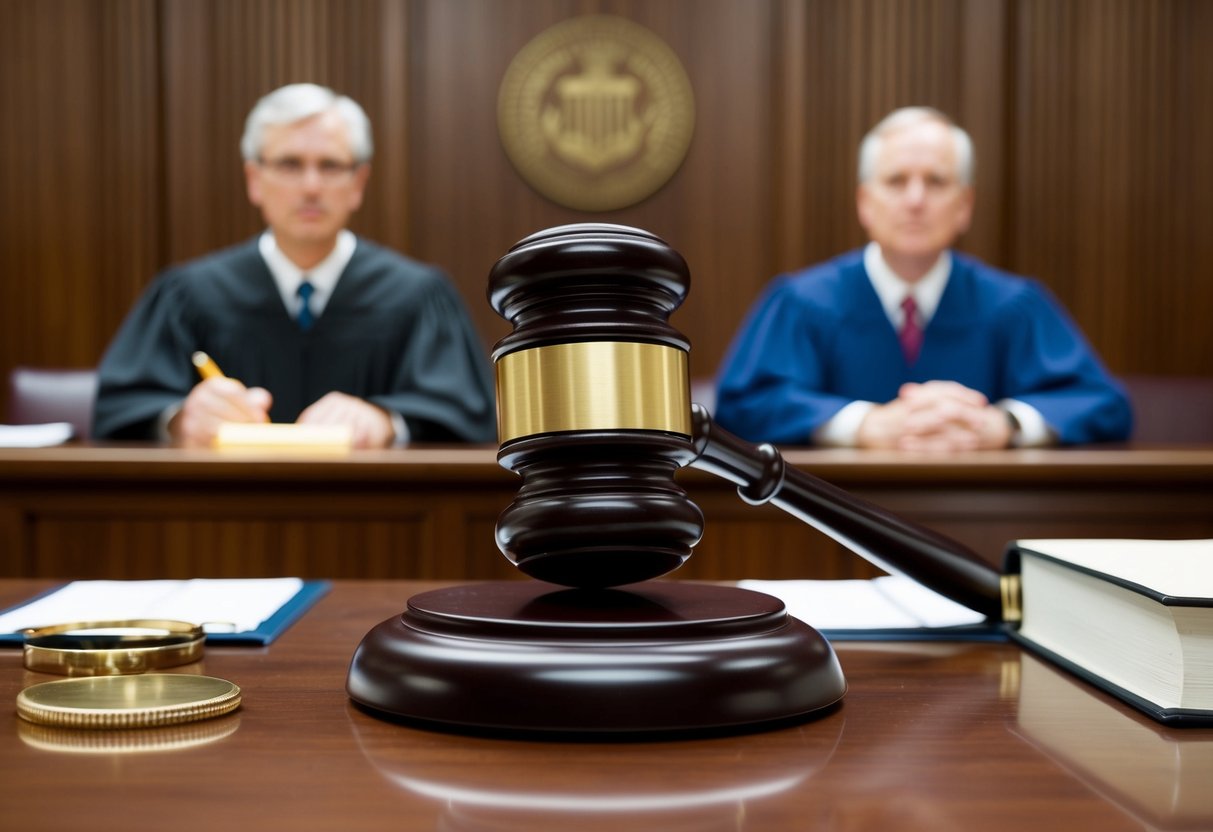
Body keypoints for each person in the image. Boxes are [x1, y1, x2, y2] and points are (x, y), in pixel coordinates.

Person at [93, 83, 496, 447]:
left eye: (330, 165)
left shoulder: (418, 296)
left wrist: (387, 421)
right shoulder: (187, 294)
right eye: (289, 164)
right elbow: (120, 408)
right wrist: (181, 420)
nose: (310, 187)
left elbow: (468, 414)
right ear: (254, 179)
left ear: (358, 184)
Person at [714, 106, 1132, 451]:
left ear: (964, 205)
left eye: (936, 181)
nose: (916, 201)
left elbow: (1102, 406)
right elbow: (741, 408)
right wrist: (862, 425)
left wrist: (1003, 425)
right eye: (896, 181)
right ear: (865, 203)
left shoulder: (1014, 305)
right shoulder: (801, 303)